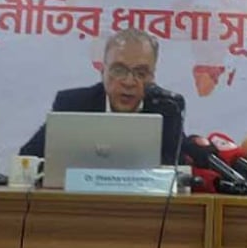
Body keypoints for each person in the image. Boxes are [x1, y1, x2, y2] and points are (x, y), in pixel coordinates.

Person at [20, 29, 185, 164]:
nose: (129, 82)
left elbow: (179, 169)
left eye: (141, 73)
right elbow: (27, 157)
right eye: (119, 70)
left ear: (152, 77)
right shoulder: (73, 104)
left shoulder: (166, 109)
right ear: (103, 71)